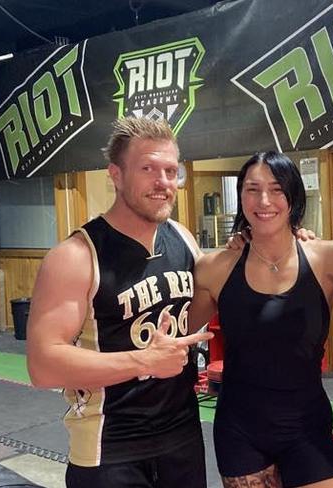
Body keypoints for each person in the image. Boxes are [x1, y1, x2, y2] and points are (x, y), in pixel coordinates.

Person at [26, 117, 213, 488]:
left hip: (183, 438)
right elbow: (43, 366)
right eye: (147, 169)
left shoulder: (182, 238)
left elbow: (194, 314)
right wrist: (144, 361)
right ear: (116, 174)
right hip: (109, 449)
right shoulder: (76, 256)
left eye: (170, 171)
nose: (162, 182)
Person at [188, 151, 333, 488]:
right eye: (252, 189)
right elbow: (179, 330)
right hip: (241, 431)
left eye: (276, 189)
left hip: (308, 428)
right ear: (240, 197)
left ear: (293, 195)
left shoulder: (328, 259)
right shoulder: (215, 268)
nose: (264, 200)